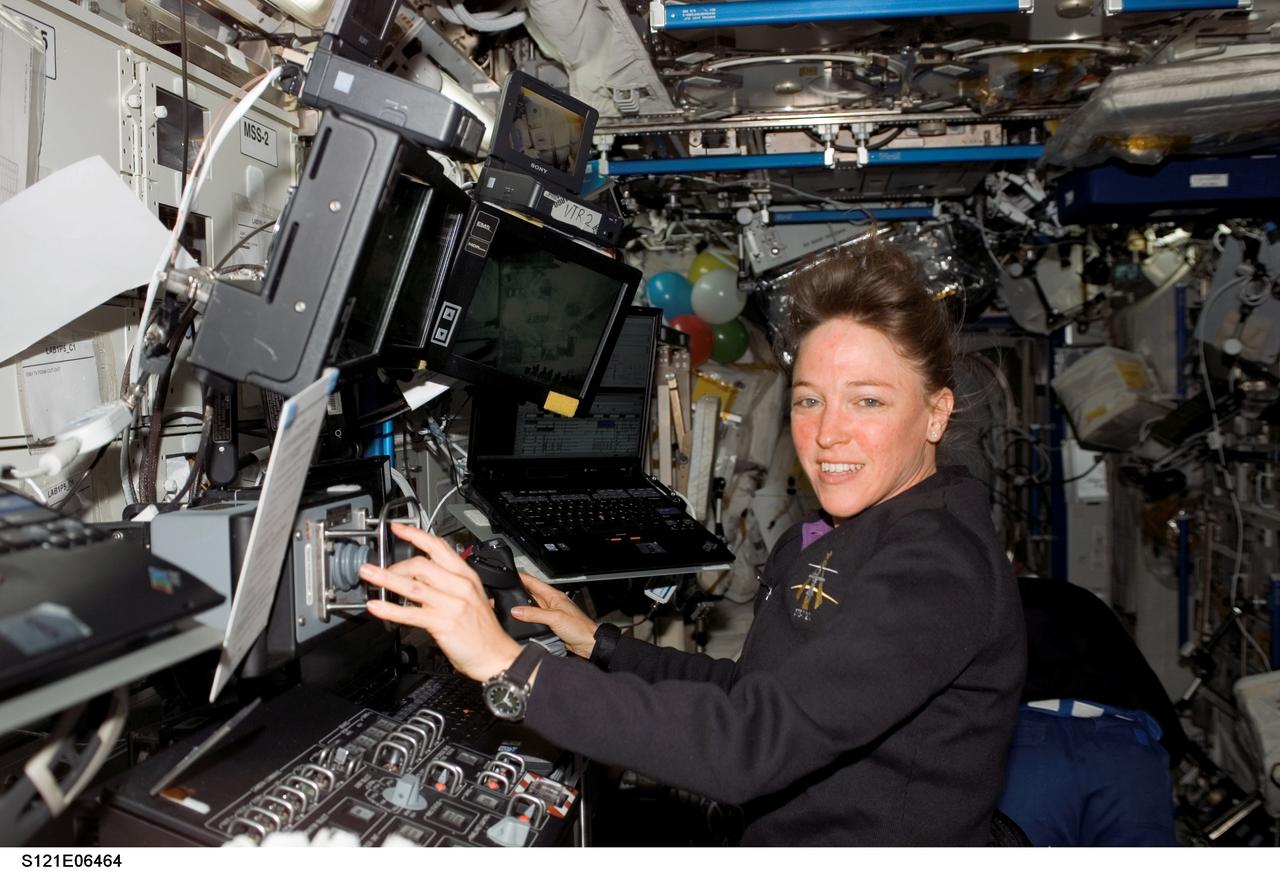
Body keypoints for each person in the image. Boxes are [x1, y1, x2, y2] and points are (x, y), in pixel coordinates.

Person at [359, 237, 1027, 845]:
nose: (828, 434)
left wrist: (512, 667)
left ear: (936, 412)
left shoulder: (936, 567)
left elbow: (747, 745)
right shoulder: (849, 530)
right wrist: (600, 644)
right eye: (809, 400)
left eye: (868, 401)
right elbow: (757, 691)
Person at [997, 576, 1186, 846]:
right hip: (1126, 746)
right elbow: (1144, 685)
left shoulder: (988, 602)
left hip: (1027, 748)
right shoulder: (1077, 599)